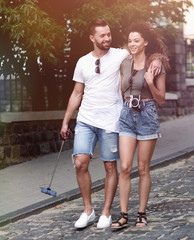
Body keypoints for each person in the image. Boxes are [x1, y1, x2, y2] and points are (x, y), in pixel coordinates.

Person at [60, 19, 163, 229]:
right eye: (102, 35)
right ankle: (90, 211)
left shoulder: (121, 55)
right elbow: (76, 93)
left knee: (121, 166)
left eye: (109, 34)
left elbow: (144, 49)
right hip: (95, 119)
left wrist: (159, 59)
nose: (108, 38)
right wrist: (65, 121)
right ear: (92, 38)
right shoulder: (87, 62)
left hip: (119, 119)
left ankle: (113, 212)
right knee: (84, 163)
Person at [111, 22, 170, 229]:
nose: (132, 44)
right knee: (125, 167)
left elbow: (161, 100)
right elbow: (120, 90)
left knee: (143, 168)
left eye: (136, 40)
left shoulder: (155, 65)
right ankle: (123, 214)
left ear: (145, 42)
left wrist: (150, 81)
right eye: (130, 41)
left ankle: (141, 213)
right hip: (127, 115)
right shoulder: (124, 63)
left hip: (147, 115)